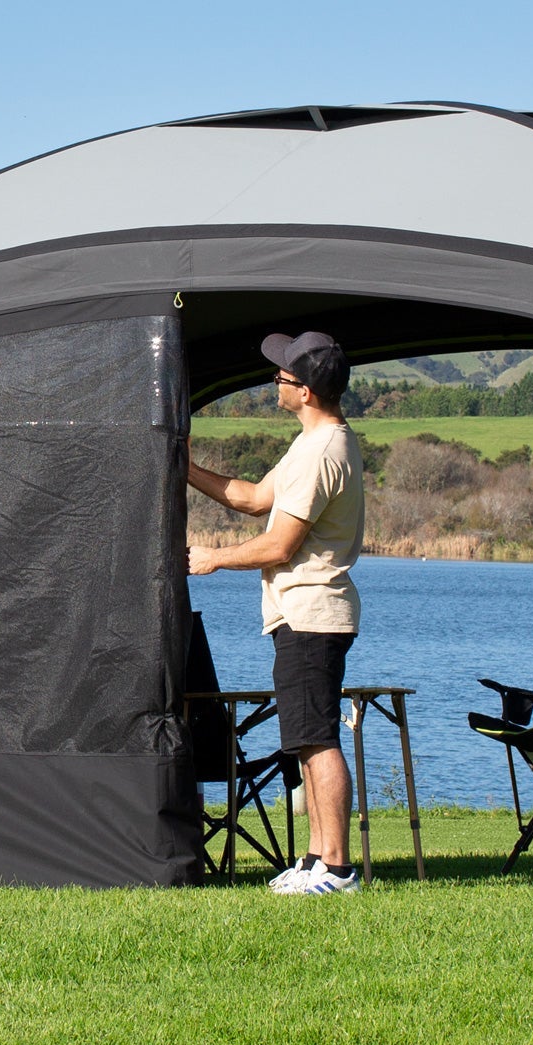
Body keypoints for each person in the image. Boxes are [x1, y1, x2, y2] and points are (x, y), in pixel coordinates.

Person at [187, 331, 367, 895]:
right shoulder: (312, 443)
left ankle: (337, 868)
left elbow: (279, 544)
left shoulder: (323, 451)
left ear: (306, 391)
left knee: (317, 739)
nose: (274, 383)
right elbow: (251, 498)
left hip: (314, 613)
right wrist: (181, 465)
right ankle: (315, 860)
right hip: (300, 614)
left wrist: (213, 559)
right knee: (304, 739)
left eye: (282, 377)